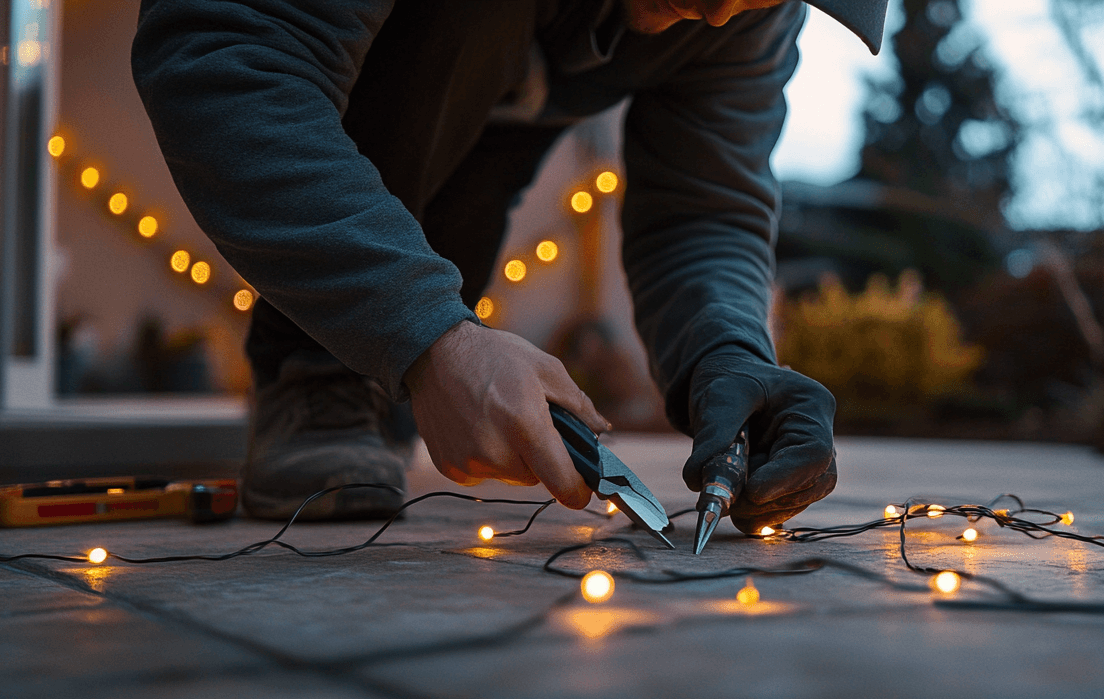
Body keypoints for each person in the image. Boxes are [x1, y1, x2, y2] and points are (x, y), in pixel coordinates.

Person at [131, 0, 889, 533]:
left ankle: (368, 375)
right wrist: (430, 337)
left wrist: (728, 354)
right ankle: (317, 373)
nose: (724, 10)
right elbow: (229, 50)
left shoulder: (745, 19)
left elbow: (704, 208)